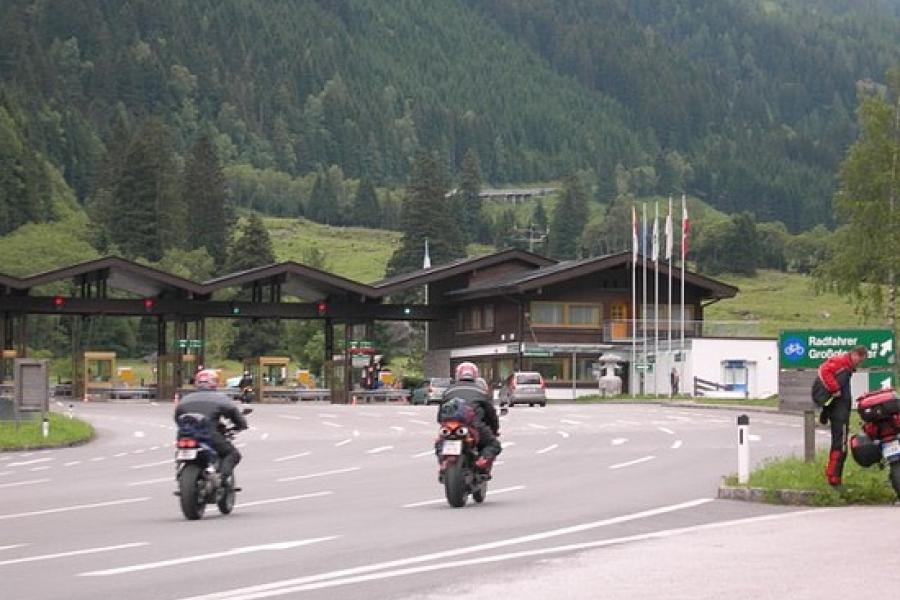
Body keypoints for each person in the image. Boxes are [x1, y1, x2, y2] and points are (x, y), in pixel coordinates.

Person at [174, 369, 248, 482]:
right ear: (214, 383)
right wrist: (241, 425)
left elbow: (177, 418)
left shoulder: (185, 399)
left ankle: (180, 472)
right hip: (209, 435)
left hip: (185, 436)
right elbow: (234, 413)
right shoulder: (220, 398)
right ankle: (221, 478)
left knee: (179, 451)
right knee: (232, 454)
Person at [811, 345, 868, 486]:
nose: (859, 364)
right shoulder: (841, 363)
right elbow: (824, 370)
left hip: (838, 408)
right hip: (839, 411)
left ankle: (835, 477)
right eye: (860, 360)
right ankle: (833, 479)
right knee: (840, 444)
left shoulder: (846, 367)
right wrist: (834, 388)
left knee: (840, 443)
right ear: (855, 355)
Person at [436, 362, 502, 477]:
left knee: (440, 443)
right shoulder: (481, 391)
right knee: (494, 445)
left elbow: (440, 416)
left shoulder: (448, 391)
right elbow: (491, 415)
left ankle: (443, 462)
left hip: (449, 426)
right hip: (473, 425)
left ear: (458, 375)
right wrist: (494, 430)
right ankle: (482, 461)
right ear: (475, 375)